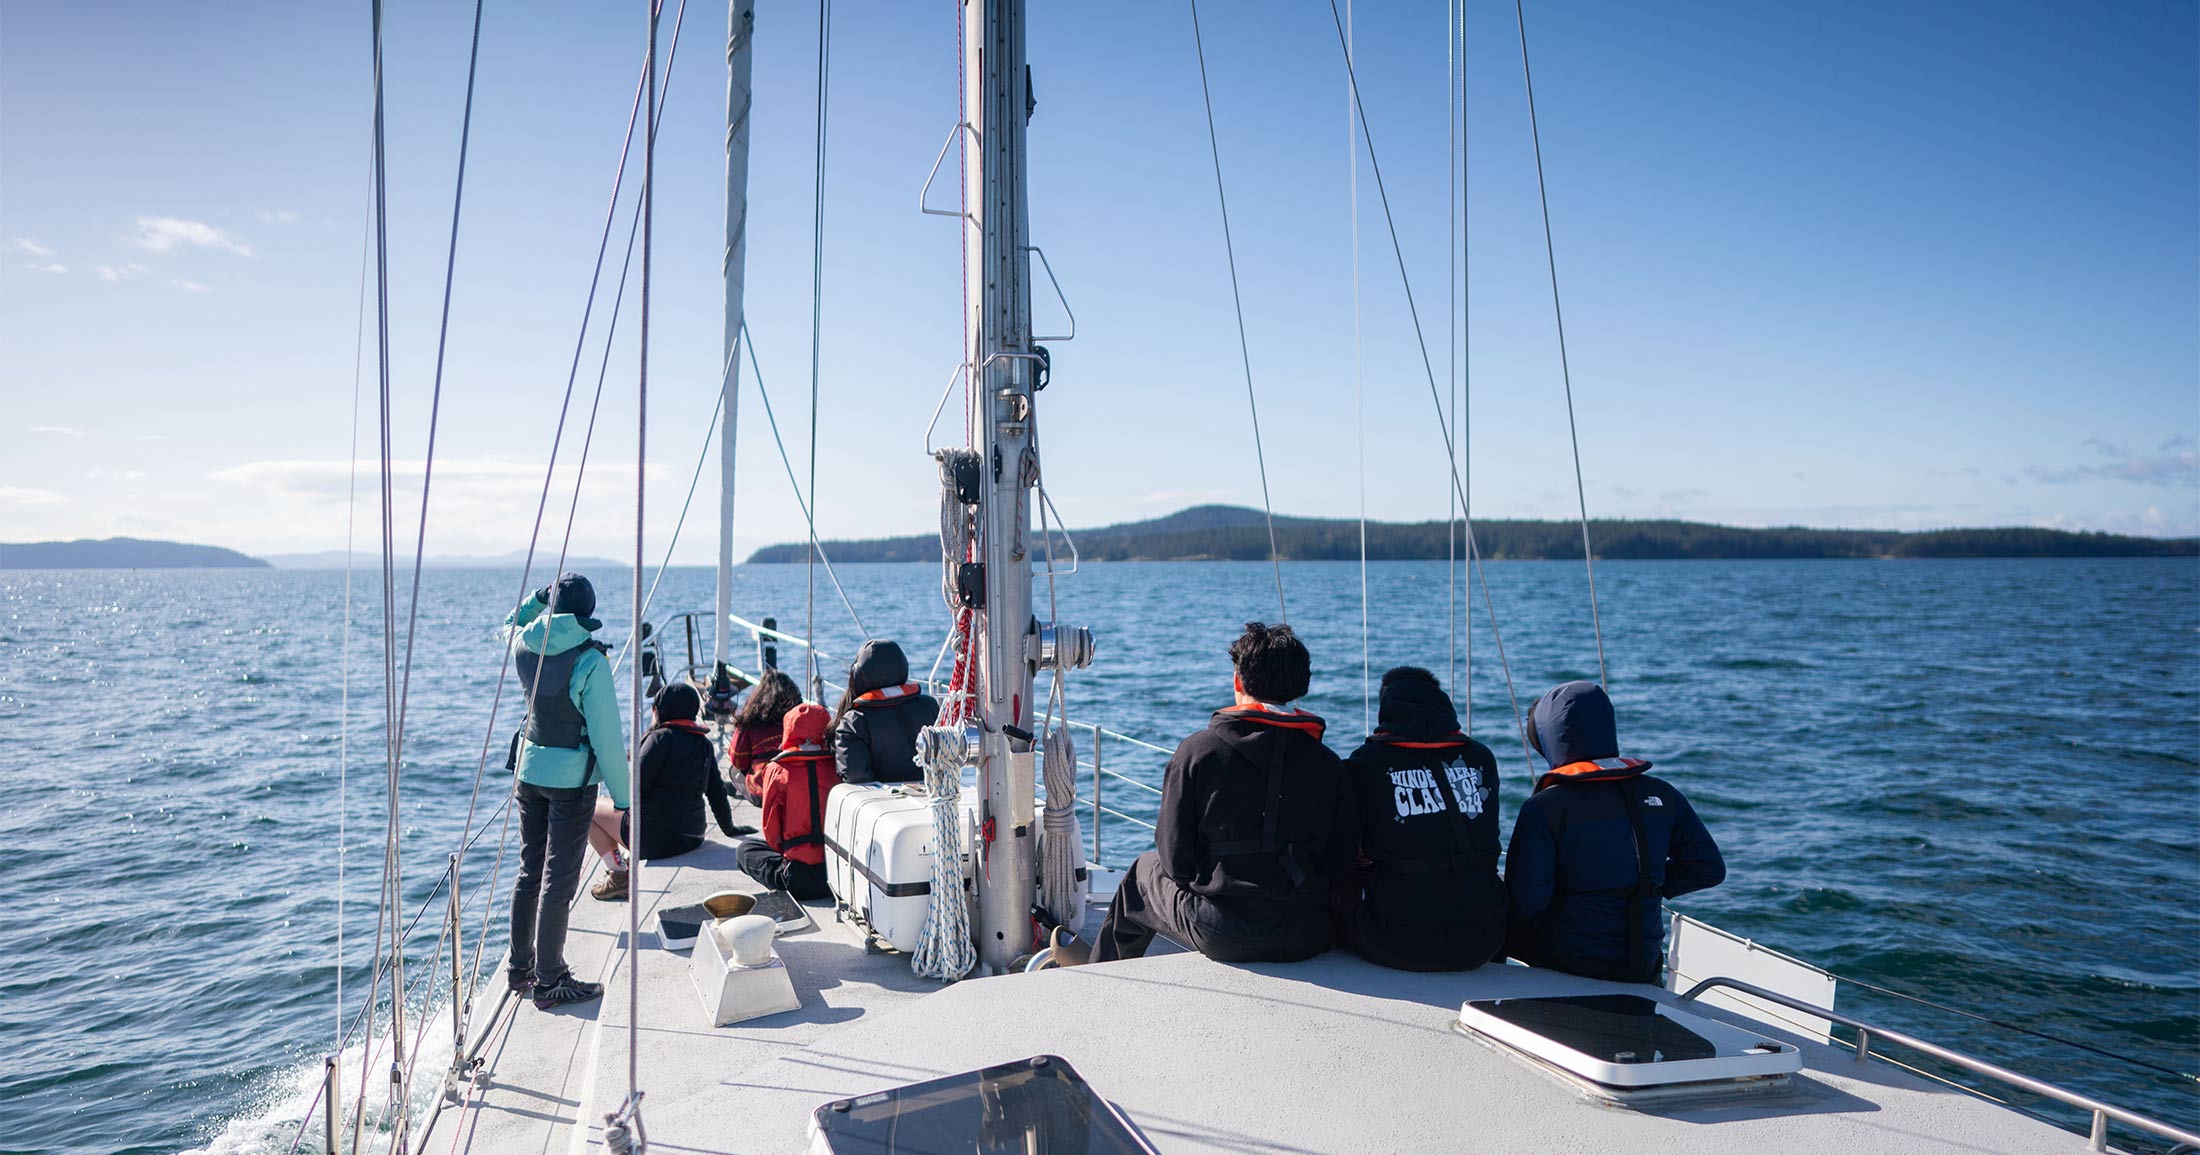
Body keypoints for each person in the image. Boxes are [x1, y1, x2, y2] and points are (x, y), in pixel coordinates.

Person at [1094, 622, 1356, 964]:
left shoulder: (1198, 752)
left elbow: (1175, 862)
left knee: (1141, 875)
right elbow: (1342, 863)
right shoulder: (1330, 764)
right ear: (1301, 688)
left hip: (1221, 931)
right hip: (1307, 931)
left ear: (1238, 682)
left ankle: (1103, 975)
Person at [1502, 680, 1725, 983]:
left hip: (1568, 959)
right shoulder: (1662, 793)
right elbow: (1709, 869)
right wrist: (1652, 885)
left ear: (1551, 740)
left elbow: (1527, 903)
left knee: (1493, 917)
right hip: (1641, 963)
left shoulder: (1545, 808)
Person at [503, 573, 628, 1010]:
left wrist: (537, 598)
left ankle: (521, 970)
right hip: (572, 783)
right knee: (560, 880)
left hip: (529, 772)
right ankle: (551, 979)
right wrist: (625, 800)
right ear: (587, 614)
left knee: (529, 871)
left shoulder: (522, 643)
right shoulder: (590, 662)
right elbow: (608, 739)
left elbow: (510, 620)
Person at [1335, 666, 1508, 971]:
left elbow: (1343, 854)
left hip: (1395, 938)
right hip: (1483, 937)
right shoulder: (1482, 757)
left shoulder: (1366, 764)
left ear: (1386, 707)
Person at [584, 683, 751, 902]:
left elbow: (631, 791)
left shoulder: (659, 738)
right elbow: (716, 792)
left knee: (589, 808)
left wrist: (617, 767)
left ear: (659, 710)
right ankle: (621, 861)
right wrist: (729, 828)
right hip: (692, 836)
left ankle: (619, 876)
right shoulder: (703, 744)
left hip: (655, 841)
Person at [735, 701, 838, 900]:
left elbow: (771, 832)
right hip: (836, 875)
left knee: (744, 850)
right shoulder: (837, 763)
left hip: (797, 878)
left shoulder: (776, 769)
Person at [832, 640, 939, 785]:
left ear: (858, 675)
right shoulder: (930, 706)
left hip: (883, 804)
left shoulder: (854, 722)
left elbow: (855, 775)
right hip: (932, 795)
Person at [729, 669, 803, 802]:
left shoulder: (749, 722)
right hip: (798, 785)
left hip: (764, 789)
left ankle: (744, 790)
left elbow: (737, 760)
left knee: (733, 771)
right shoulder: (800, 718)